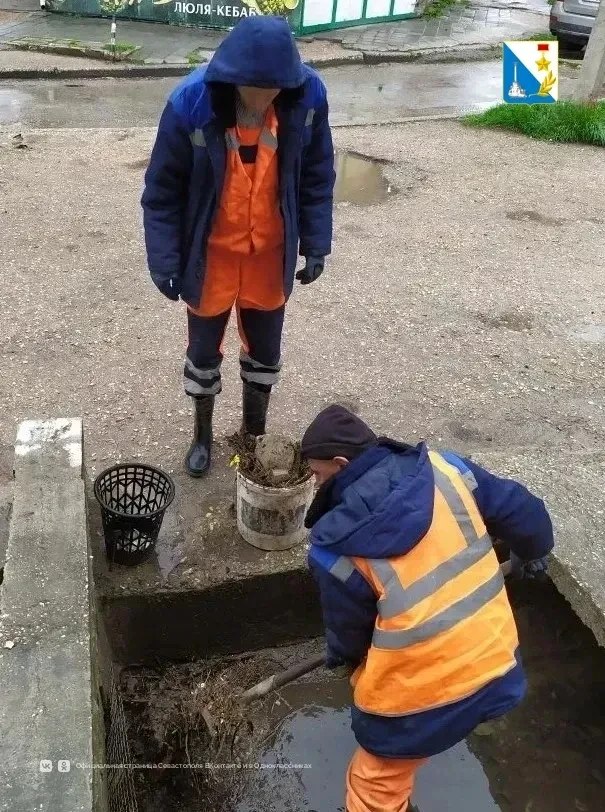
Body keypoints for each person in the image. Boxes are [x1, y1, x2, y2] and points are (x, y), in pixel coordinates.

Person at [301, 405, 554, 812]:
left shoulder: (334, 552)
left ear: (340, 464)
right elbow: (527, 515)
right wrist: (532, 553)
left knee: (373, 785)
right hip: (497, 669)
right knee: (441, 729)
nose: (315, 482)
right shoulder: (447, 469)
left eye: (317, 473)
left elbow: (351, 637)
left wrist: (344, 661)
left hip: (417, 705)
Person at [142, 16, 335, 477]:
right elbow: (162, 192)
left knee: (265, 351)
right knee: (203, 352)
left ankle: (251, 437)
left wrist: (316, 242)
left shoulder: (307, 96)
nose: (265, 99)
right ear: (232, 77)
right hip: (211, 257)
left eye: (275, 90)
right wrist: (164, 260)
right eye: (255, 90)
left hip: (270, 254)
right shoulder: (190, 103)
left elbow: (317, 174)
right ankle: (202, 435)